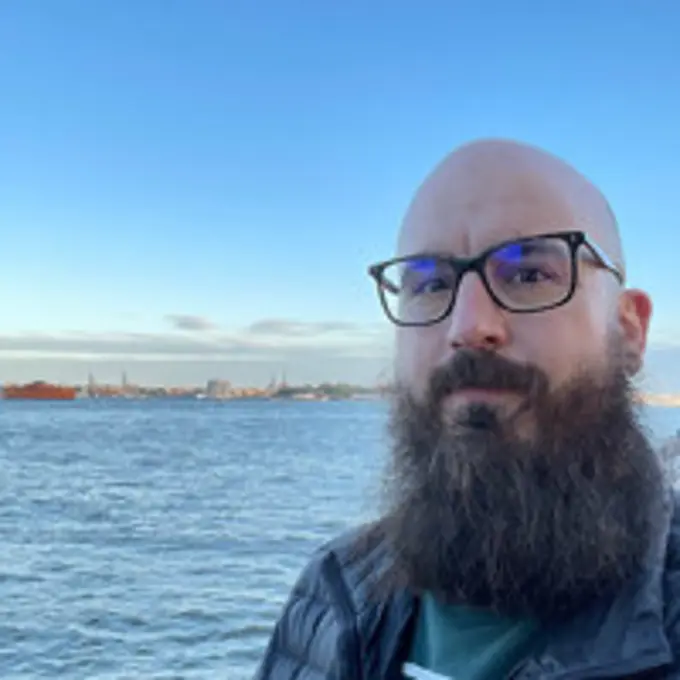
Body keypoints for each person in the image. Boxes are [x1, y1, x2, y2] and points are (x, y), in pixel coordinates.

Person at [253, 138, 680, 680]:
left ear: (629, 329)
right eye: (431, 284)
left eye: (529, 275)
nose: (468, 326)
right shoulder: (332, 591)